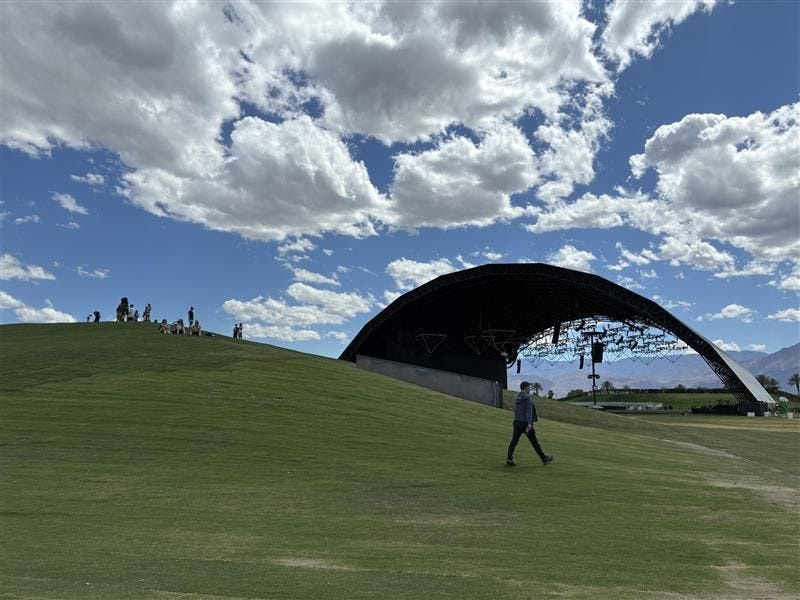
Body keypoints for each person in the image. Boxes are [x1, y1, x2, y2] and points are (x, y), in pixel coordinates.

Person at [506, 381, 553, 467]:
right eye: (529, 387)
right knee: (534, 442)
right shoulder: (527, 398)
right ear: (526, 388)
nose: (529, 389)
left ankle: (509, 459)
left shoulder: (517, 397)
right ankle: (544, 459)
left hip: (517, 422)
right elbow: (528, 411)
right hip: (525, 424)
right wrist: (529, 423)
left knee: (514, 441)